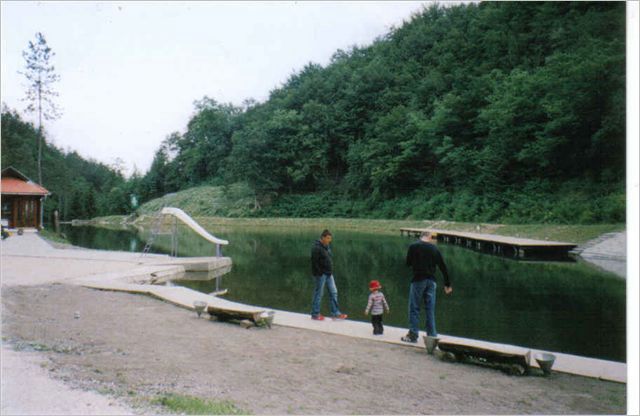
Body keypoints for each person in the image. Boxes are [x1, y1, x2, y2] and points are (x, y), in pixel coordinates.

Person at [402, 231, 452, 343]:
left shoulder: (413, 246)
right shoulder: (434, 249)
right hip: (432, 281)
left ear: (421, 236)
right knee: (430, 309)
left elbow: (408, 263)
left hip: (418, 279)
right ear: (429, 237)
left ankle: (413, 335)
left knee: (414, 307)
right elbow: (443, 267)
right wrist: (447, 284)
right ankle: (432, 336)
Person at [310, 229, 348, 321]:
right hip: (321, 275)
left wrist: (329, 271)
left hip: (329, 274)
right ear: (322, 237)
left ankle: (335, 313)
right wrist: (319, 273)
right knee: (319, 293)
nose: (329, 240)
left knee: (334, 292)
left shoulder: (326, 246)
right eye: (327, 238)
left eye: (330, 238)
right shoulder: (316, 247)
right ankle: (315, 314)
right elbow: (314, 262)